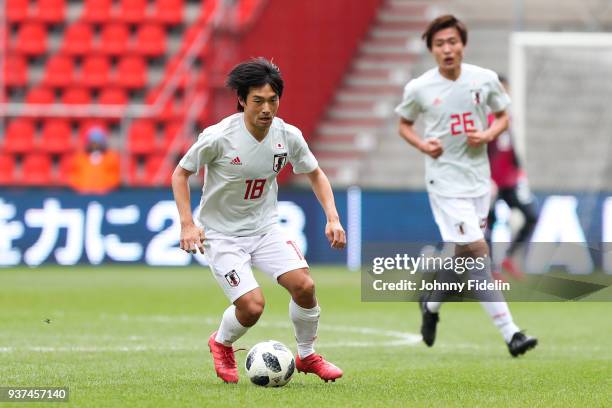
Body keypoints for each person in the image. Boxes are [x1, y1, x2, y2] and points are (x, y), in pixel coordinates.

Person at [171, 58, 346, 383]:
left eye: (273, 100)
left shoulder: (288, 136)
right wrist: (186, 224)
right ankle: (221, 343)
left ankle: (307, 356)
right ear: (241, 100)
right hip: (222, 236)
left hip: (265, 230)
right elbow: (181, 174)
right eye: (258, 101)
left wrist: (332, 218)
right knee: (252, 307)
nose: (267, 108)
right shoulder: (218, 137)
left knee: (305, 287)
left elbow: (316, 174)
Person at [394, 15, 537, 357]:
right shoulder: (419, 88)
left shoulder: (484, 79)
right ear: (431, 49)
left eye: (452, 42)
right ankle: (511, 333)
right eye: (440, 44)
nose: (447, 49)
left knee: (463, 259)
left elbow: (503, 116)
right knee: (477, 251)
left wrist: (488, 134)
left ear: (463, 44)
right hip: (444, 182)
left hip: (478, 182)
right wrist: (422, 144)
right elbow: (404, 124)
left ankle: (431, 303)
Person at [486, 75, 539, 281]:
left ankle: (507, 258)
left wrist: (519, 170)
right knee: (489, 223)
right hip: (490, 182)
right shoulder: (484, 117)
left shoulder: (507, 117)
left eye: (505, 90)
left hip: (509, 180)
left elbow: (509, 147)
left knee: (531, 217)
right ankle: (491, 269)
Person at [68, 127, 121, 194]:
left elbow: (115, 177)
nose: (95, 145)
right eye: (93, 142)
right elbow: (73, 176)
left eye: (98, 142)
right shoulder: (79, 157)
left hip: (105, 194)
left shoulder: (111, 157)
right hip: (82, 194)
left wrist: (105, 188)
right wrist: (80, 187)